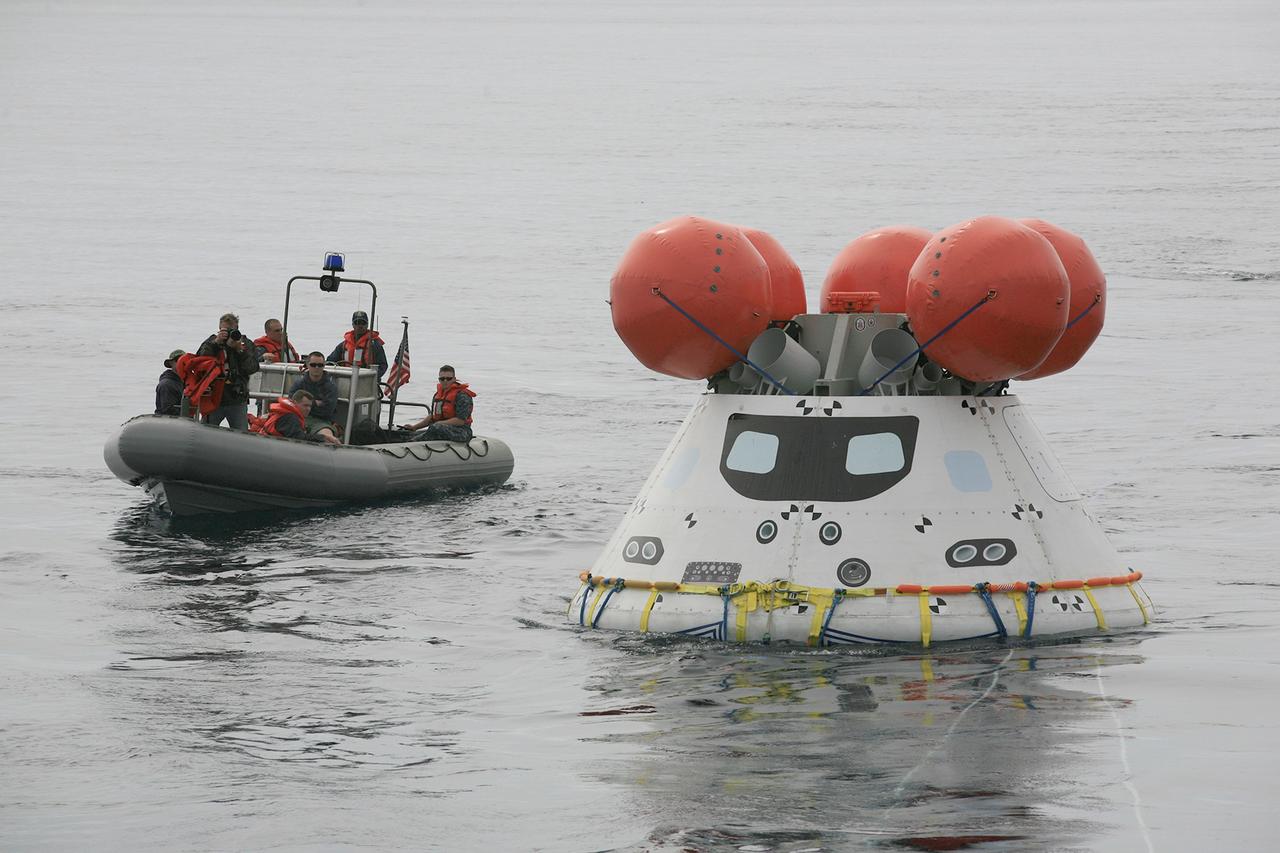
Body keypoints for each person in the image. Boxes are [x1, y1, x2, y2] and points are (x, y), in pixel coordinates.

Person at [196, 312, 260, 431]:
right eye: (225, 331)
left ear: (237, 329)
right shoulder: (211, 342)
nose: (229, 335)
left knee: (241, 435)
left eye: (232, 331)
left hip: (237, 398)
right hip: (214, 398)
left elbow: (252, 368)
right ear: (219, 330)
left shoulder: (245, 344)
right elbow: (200, 361)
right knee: (205, 432)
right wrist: (216, 343)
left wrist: (240, 351)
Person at [398, 365, 475, 442]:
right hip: (440, 427)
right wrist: (414, 427)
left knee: (436, 428)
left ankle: (412, 443)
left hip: (462, 431)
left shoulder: (462, 396)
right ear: (439, 380)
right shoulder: (438, 395)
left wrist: (439, 423)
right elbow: (433, 416)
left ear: (454, 379)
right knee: (409, 434)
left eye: (448, 379)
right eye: (442, 379)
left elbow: (460, 421)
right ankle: (406, 441)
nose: (445, 381)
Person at [252, 389, 340, 444]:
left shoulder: (284, 414)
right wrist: (322, 438)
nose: (308, 409)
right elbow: (298, 438)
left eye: (310, 406)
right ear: (294, 402)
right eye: (305, 405)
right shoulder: (290, 418)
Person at [288, 351, 341, 438]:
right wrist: (316, 403)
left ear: (324, 366)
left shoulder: (331, 387)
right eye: (313, 365)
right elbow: (292, 404)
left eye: (320, 365)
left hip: (321, 422)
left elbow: (327, 411)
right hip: (298, 418)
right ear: (308, 365)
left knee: (327, 435)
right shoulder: (298, 384)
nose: (316, 367)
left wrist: (305, 405)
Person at [327, 310, 387, 378]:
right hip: (345, 380)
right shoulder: (343, 346)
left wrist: (372, 377)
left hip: (367, 381)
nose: (360, 326)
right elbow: (330, 362)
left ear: (367, 325)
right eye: (357, 323)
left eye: (363, 323)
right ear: (353, 325)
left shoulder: (375, 345)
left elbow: (383, 366)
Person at [154, 348, 186, 415]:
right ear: (171, 363)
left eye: (184, 360)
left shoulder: (185, 383)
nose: (181, 363)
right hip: (167, 422)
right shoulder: (167, 384)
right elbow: (168, 411)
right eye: (178, 360)